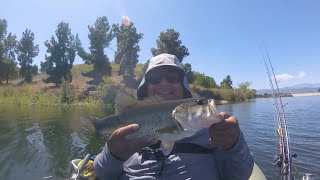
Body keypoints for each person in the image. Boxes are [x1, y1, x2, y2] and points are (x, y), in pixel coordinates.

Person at [94, 53, 254, 180]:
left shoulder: (213, 133)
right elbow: (103, 174)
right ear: (146, 86)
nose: (164, 83)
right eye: (155, 79)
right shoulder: (123, 136)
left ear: (183, 86)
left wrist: (234, 145)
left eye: (172, 78)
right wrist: (113, 154)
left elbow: (240, 175)